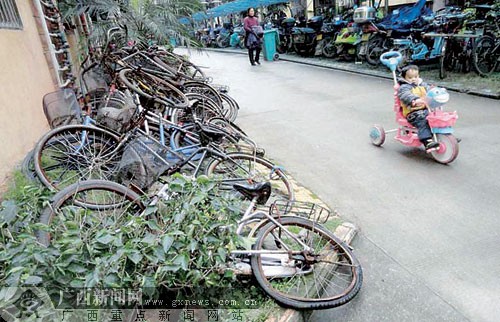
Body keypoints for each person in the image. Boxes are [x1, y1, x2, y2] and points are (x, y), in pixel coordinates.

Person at [397, 65, 440, 151]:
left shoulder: (422, 84)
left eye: (416, 76)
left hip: (424, 109)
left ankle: (444, 136)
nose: (413, 79)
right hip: (413, 112)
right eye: (410, 77)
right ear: (404, 78)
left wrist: (436, 91)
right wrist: (414, 100)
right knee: (422, 120)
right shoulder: (404, 87)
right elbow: (405, 95)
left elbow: (429, 90)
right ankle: (427, 141)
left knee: (436, 117)